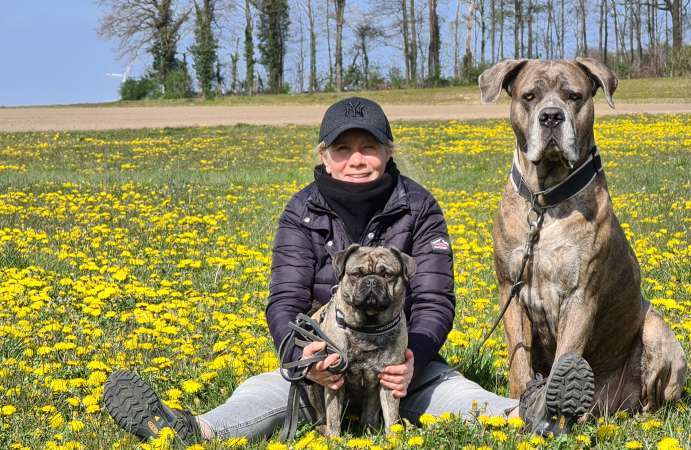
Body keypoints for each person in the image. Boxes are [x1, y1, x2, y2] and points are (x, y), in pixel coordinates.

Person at [100, 97, 594, 445]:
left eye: (368, 147)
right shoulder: (301, 211)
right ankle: (188, 429)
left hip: (398, 362)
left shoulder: (419, 206)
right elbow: (284, 299)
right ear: (325, 156)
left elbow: (435, 298)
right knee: (262, 392)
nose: (357, 160)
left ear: (388, 151)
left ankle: (533, 412)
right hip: (324, 364)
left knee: (453, 391)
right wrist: (301, 355)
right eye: (343, 149)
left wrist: (415, 358)